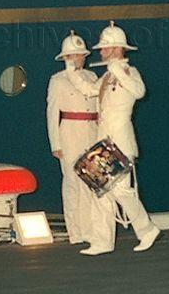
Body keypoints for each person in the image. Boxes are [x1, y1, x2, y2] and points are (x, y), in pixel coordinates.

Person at [64, 21, 160, 256]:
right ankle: (102, 241)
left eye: (105, 48)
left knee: (121, 192)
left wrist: (117, 70)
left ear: (117, 49)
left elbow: (139, 92)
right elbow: (89, 90)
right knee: (102, 191)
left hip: (121, 141)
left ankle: (146, 229)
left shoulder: (129, 72)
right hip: (104, 142)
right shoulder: (107, 75)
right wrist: (71, 71)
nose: (100, 52)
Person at [46, 32, 99, 245]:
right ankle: (75, 232)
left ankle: (91, 228)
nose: (77, 58)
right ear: (65, 57)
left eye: (80, 55)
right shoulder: (57, 80)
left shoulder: (92, 78)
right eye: (72, 55)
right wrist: (55, 143)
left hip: (92, 130)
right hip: (69, 132)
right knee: (72, 182)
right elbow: (52, 113)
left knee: (91, 182)